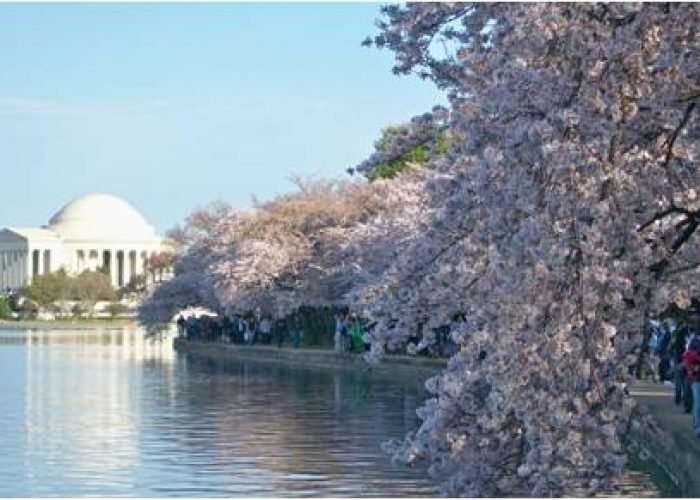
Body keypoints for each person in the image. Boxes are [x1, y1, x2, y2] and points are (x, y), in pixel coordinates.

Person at [682, 336, 700, 437]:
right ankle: (697, 427)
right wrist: (693, 368)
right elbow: (687, 358)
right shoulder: (695, 341)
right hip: (697, 378)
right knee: (698, 403)